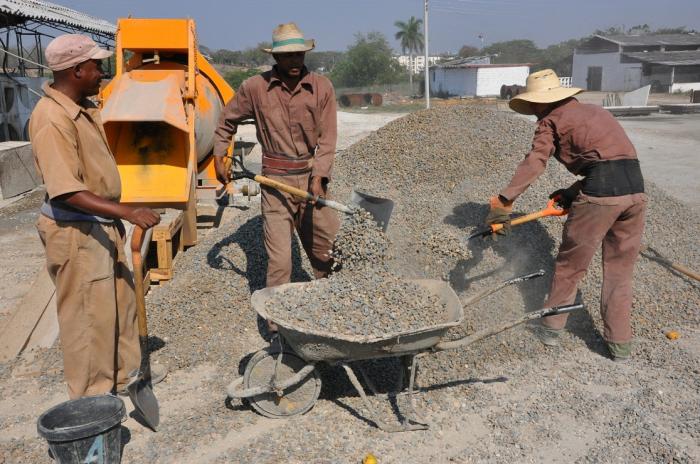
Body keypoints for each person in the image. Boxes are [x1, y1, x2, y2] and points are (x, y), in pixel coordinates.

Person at [29, 34, 162, 398]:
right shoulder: (52, 119)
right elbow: (66, 189)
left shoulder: (83, 108)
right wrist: (128, 211)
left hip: (97, 226)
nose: (102, 72)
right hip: (75, 232)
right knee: (88, 318)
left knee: (117, 307)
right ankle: (92, 402)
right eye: (96, 66)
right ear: (76, 70)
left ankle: (122, 379)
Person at [486, 69, 646, 361]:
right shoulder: (596, 112)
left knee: (570, 267)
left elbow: (536, 162)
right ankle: (620, 345)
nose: (534, 111)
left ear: (537, 102)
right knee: (620, 271)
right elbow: (612, 161)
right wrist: (572, 193)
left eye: (533, 105)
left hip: (601, 196)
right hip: (636, 192)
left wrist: (505, 200)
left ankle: (550, 329)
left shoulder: (549, 121)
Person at [213, 23, 340, 328]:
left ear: (305, 53)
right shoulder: (255, 88)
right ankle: (279, 329)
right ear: (276, 58)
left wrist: (319, 177)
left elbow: (329, 140)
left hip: (312, 179)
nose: (294, 62)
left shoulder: (322, 87)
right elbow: (226, 120)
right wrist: (220, 154)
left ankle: (336, 311)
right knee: (281, 262)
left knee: (328, 253)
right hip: (275, 184)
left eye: (298, 55)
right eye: (287, 57)